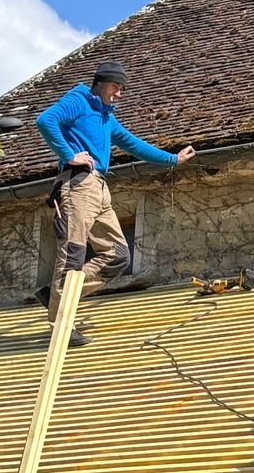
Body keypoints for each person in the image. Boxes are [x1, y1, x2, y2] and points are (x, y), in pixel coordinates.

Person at [34, 60, 196, 343]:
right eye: (116, 87)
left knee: (119, 255)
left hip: (100, 189)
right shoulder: (79, 100)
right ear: (101, 83)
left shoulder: (108, 118)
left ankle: (56, 294)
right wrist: (69, 153)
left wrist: (173, 159)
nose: (119, 94)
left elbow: (134, 145)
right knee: (73, 253)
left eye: (122, 89)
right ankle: (60, 324)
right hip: (78, 183)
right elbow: (45, 121)